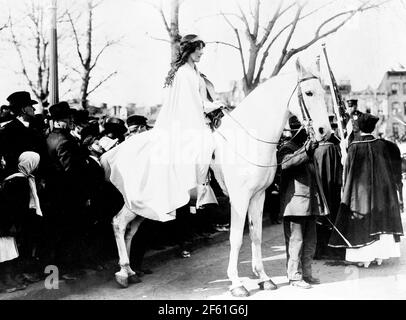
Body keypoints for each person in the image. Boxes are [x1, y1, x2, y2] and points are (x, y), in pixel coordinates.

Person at [101, 34, 222, 223]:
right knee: (205, 144)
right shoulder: (184, 72)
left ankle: (205, 190)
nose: (202, 52)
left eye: (202, 48)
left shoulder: (194, 70)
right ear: (190, 50)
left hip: (197, 117)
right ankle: (201, 189)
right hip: (188, 120)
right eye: (198, 49)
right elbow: (192, 104)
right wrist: (214, 106)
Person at [329, 113, 404, 267]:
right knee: (380, 219)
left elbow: (347, 170)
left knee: (362, 221)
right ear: (373, 127)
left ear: (359, 128)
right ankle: (380, 256)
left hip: (359, 193)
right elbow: (387, 170)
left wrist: (344, 153)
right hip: (380, 193)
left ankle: (365, 258)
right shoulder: (381, 145)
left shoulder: (354, 147)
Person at [278, 116, 322, 289]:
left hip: (309, 203)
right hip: (294, 205)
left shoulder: (306, 149)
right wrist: (306, 150)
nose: (306, 133)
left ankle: (306, 273)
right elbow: (286, 163)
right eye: (303, 129)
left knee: (310, 241)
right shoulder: (286, 149)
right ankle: (295, 276)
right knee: (296, 242)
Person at [0, 151, 43, 292]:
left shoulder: (19, 179)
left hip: (8, 223)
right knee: (6, 252)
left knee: (8, 252)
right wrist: (13, 225)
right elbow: (12, 206)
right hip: (6, 224)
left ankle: (10, 280)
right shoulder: (19, 181)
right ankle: (7, 283)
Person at [0, 91, 45, 179]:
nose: (34, 109)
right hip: (18, 180)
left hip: (38, 178)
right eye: (31, 106)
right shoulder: (8, 131)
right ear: (23, 109)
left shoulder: (36, 128)